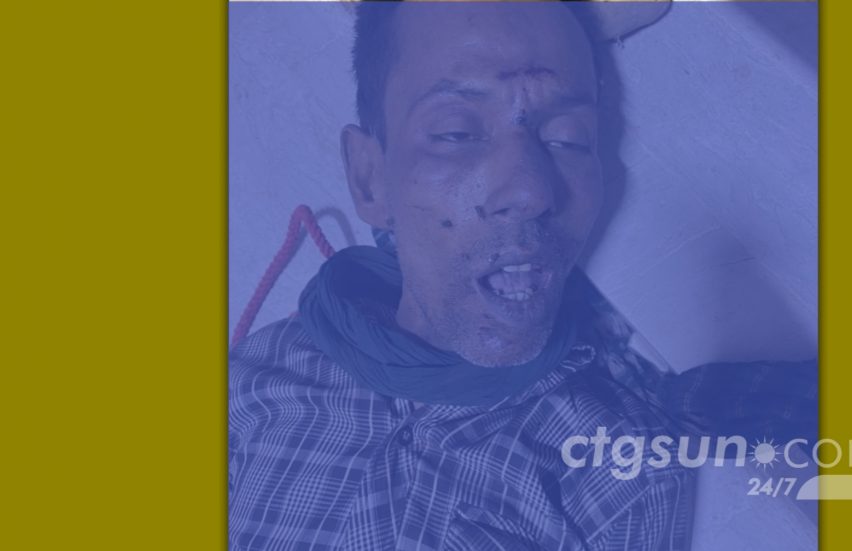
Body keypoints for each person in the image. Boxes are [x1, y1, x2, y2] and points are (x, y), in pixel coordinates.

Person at [228, 2, 815, 550]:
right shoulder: (253, 381)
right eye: (457, 133)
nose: (533, 192)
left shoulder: (618, 471)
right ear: (370, 179)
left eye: (569, 139)